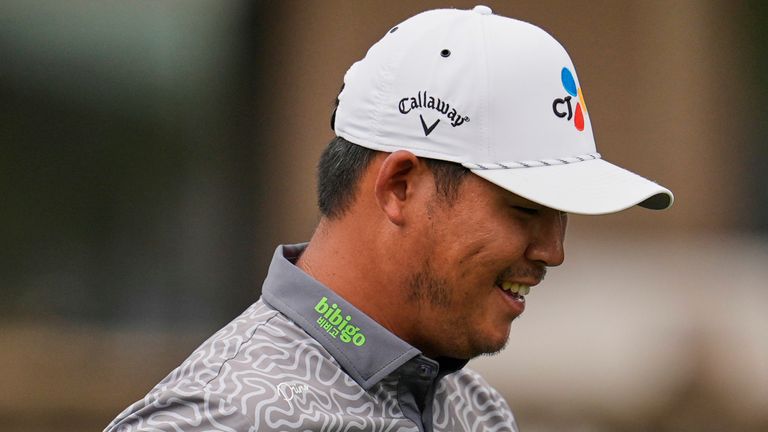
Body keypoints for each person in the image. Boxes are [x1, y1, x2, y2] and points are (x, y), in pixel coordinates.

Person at [105, 5, 673, 432]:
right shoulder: (218, 419)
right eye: (526, 208)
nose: (553, 250)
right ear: (400, 186)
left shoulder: (476, 412)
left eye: (561, 214)